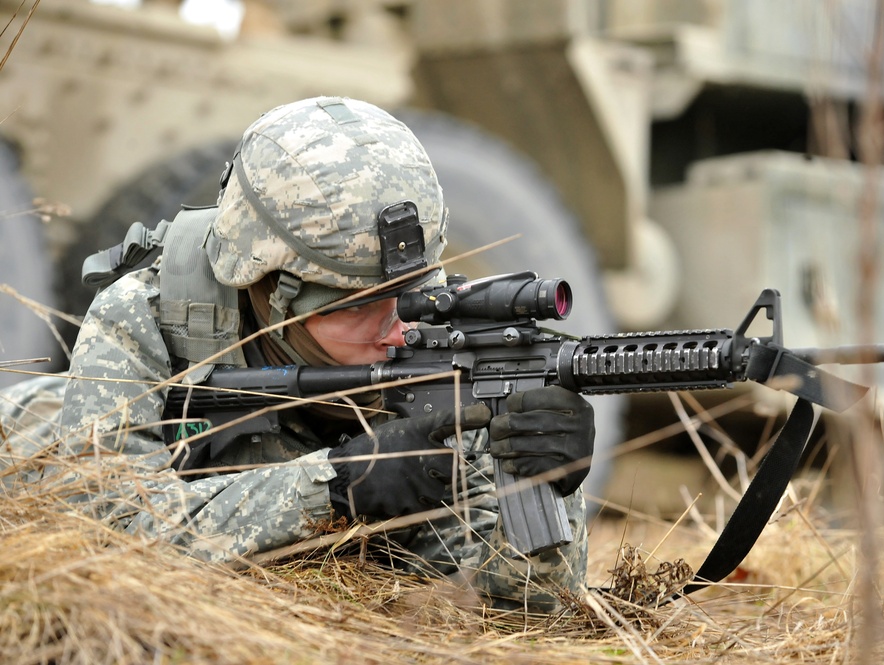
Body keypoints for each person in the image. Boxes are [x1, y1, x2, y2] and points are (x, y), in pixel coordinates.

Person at [0, 96, 594, 612]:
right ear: (269, 288)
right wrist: (333, 488)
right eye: (359, 305)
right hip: (27, 442)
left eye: (411, 296)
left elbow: (523, 609)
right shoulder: (149, 314)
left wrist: (551, 488)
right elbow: (101, 537)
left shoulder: (447, 342)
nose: (398, 329)